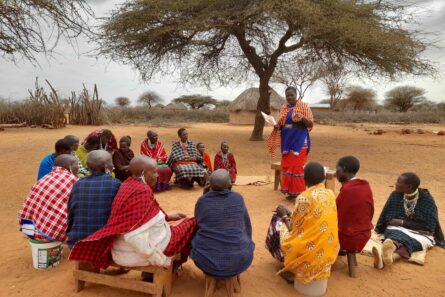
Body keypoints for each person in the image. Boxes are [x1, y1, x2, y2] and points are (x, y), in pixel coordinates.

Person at [69, 156, 197, 270]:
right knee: (190, 223)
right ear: (142, 173)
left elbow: (137, 218)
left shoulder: (127, 185)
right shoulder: (142, 191)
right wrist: (161, 261)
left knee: (174, 223)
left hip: (119, 251)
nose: (157, 175)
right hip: (136, 254)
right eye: (154, 172)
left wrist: (166, 216)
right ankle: (175, 266)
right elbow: (134, 236)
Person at [266, 162, 339, 285]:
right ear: (323, 178)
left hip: (307, 253)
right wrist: (289, 214)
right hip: (329, 250)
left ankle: (289, 267)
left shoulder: (304, 198)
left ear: (304, 180)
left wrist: (283, 215)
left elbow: (294, 229)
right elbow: (311, 219)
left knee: (276, 223)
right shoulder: (330, 194)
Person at [372, 172, 445, 269]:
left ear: (409, 186)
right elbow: (387, 215)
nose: (396, 184)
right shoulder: (395, 195)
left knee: (409, 241)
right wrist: (393, 222)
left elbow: (429, 226)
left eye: (399, 182)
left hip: (420, 233)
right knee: (394, 235)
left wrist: (402, 222)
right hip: (397, 228)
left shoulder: (426, 200)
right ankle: (390, 256)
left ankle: (386, 258)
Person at [191, 169, 254, 278]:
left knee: (192, 234)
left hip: (206, 263)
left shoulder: (202, 201)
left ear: (209, 185)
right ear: (230, 185)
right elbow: (246, 225)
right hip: (239, 261)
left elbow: (199, 223)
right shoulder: (238, 199)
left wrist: (205, 195)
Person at [66, 150, 121, 249]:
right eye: (111, 162)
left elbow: (71, 214)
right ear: (105, 166)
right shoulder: (115, 184)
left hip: (76, 242)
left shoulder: (78, 184)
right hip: (103, 241)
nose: (113, 164)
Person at [267, 86, 314, 200]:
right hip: (287, 140)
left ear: (296, 94)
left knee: (297, 167)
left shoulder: (304, 106)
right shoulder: (283, 107)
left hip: (300, 141)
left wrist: (302, 117)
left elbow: (310, 124)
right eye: (287, 95)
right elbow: (282, 123)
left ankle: (299, 194)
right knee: (287, 166)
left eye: (291, 95)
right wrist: (277, 125)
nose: (289, 97)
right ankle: (291, 193)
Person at [19, 155, 79, 242]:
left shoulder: (46, 177)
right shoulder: (72, 179)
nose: (78, 167)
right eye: (76, 164)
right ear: (69, 166)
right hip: (50, 233)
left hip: (30, 229)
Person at [335, 156, 374, 252]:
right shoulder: (365, 186)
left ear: (344, 169)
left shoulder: (347, 190)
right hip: (365, 235)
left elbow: (335, 215)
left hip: (349, 239)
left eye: (337, 169)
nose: (336, 173)